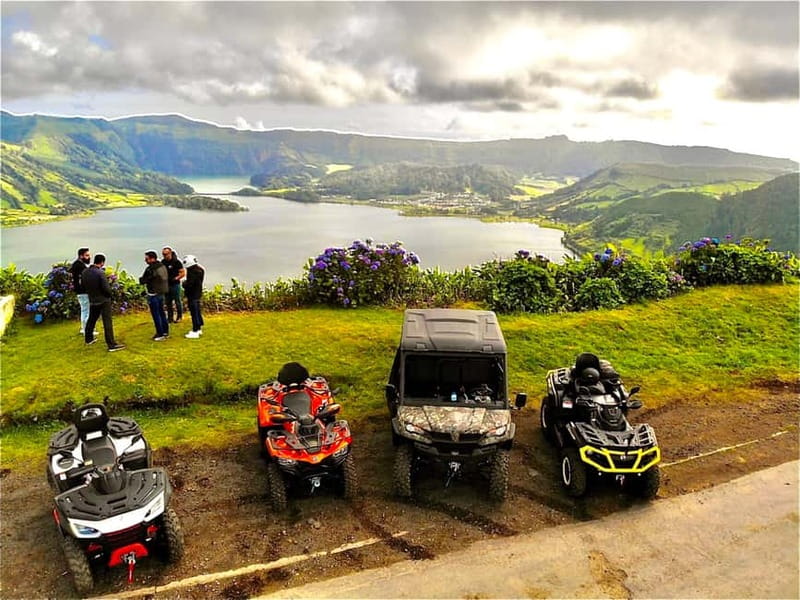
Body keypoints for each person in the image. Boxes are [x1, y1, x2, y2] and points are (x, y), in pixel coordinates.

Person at [81, 253, 125, 352]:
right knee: (107, 322)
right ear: (102, 262)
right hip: (103, 300)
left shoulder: (85, 272)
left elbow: (83, 286)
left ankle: (88, 339)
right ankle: (111, 344)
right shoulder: (100, 273)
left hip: (92, 299)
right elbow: (106, 289)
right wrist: (110, 295)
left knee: (92, 319)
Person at [140, 250, 169, 341]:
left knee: (156, 314)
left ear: (152, 259)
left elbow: (144, 280)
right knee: (162, 313)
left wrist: (142, 280)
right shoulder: (162, 266)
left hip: (153, 293)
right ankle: (165, 331)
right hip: (161, 292)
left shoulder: (151, 269)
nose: (145, 261)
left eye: (147, 259)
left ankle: (160, 334)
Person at [69, 247, 94, 336]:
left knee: (84, 310)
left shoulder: (76, 265)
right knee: (87, 310)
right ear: (81, 256)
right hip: (83, 291)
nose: (89, 257)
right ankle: (88, 330)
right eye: (87, 255)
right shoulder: (80, 266)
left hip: (80, 291)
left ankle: (84, 329)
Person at [181, 254, 205, 339]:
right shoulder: (200, 269)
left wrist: (184, 283)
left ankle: (195, 330)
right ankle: (199, 328)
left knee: (194, 312)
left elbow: (189, 284)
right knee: (197, 311)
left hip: (193, 295)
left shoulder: (192, 272)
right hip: (198, 293)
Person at [161, 246, 185, 323]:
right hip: (166, 285)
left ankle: (179, 316)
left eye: (166, 254)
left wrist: (176, 278)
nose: (165, 256)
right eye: (163, 254)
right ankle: (170, 317)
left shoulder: (177, 262)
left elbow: (182, 273)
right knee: (168, 301)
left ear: (170, 253)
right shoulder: (163, 262)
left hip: (175, 284)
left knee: (177, 300)